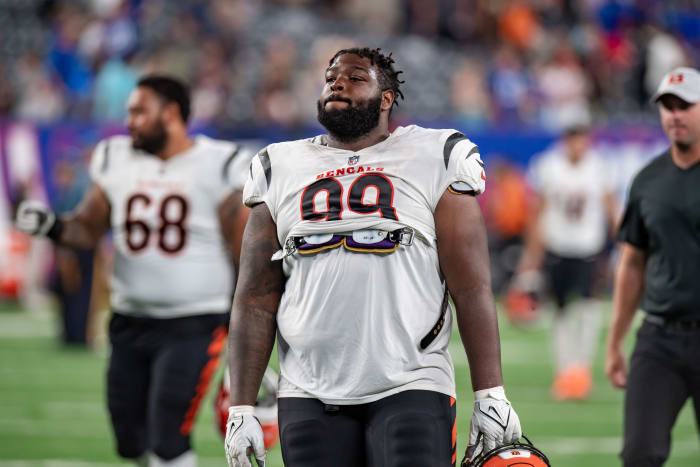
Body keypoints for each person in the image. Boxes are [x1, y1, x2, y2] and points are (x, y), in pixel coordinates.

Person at [224, 47, 522, 467]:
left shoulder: (435, 154)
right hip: (307, 389)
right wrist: (242, 407)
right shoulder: (278, 165)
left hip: (412, 381)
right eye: (330, 77)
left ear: (386, 98)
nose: (337, 83)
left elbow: (470, 285)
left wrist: (490, 392)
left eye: (355, 77)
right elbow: (254, 296)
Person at [15, 75, 251, 467]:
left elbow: (244, 249)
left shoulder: (220, 162)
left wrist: (246, 322)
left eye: (139, 111)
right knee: (129, 440)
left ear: (171, 114)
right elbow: (88, 228)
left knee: (168, 435)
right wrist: (51, 226)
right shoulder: (115, 157)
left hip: (194, 322)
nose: (129, 121)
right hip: (129, 321)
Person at [605, 67, 700, 467]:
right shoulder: (648, 180)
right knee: (639, 455)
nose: (674, 115)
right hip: (659, 338)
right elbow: (632, 263)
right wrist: (615, 342)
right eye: (667, 107)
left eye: (685, 106)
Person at [514, 122, 618, 401]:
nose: (577, 144)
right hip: (557, 247)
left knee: (587, 309)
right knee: (559, 312)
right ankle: (565, 372)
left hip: (588, 248)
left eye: (581, 138)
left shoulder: (598, 166)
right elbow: (537, 211)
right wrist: (532, 255)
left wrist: (622, 242)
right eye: (572, 138)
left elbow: (611, 207)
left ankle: (581, 370)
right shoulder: (548, 165)